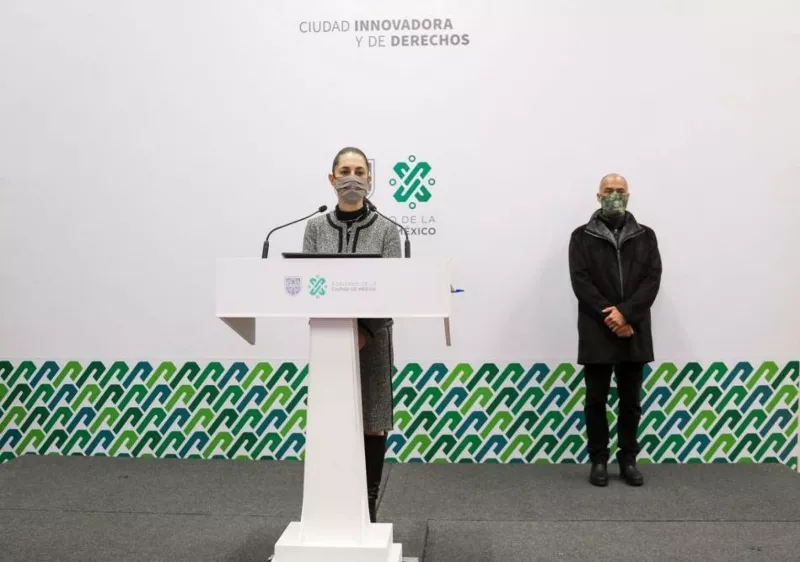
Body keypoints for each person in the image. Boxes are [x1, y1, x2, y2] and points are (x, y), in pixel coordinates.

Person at [302, 146, 402, 522]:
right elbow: (307, 283)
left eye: (360, 171)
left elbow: (394, 290)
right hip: (328, 341)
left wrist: (364, 331)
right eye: (344, 170)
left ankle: (368, 508)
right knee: (332, 420)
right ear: (331, 180)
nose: (352, 177)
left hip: (372, 342)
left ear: (370, 180)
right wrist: (338, 328)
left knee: (372, 423)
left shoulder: (388, 230)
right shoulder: (314, 227)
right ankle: (332, 508)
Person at [568, 173, 662, 487]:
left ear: (628, 196)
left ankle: (628, 460)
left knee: (630, 402)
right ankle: (598, 460)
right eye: (609, 190)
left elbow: (652, 280)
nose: (614, 195)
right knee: (595, 401)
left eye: (620, 191)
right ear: (598, 196)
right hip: (598, 329)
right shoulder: (581, 236)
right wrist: (612, 316)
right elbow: (581, 282)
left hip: (633, 330)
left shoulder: (646, 236)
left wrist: (626, 315)